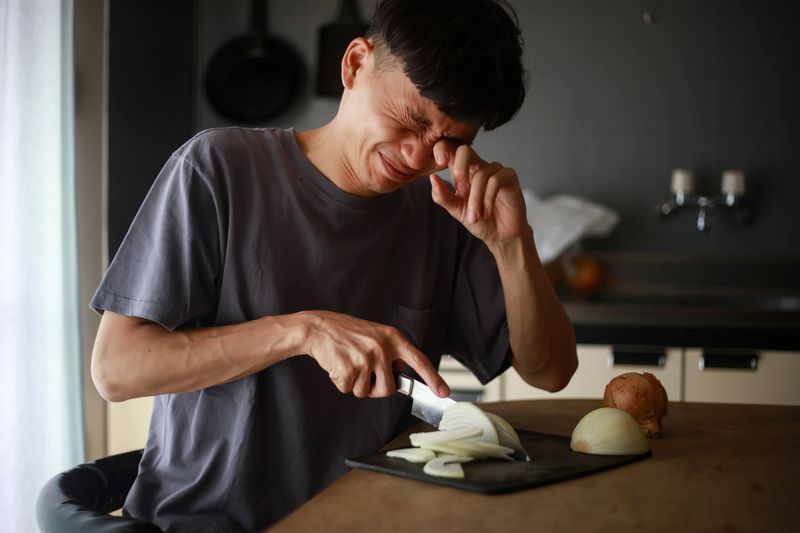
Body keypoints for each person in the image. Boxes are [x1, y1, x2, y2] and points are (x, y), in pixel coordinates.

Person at [90, 0, 577, 530]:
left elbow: (550, 371)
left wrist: (511, 243)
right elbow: (116, 369)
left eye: (450, 141)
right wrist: (303, 331)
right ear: (354, 64)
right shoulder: (217, 170)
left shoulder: (440, 215)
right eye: (411, 119)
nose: (418, 156)